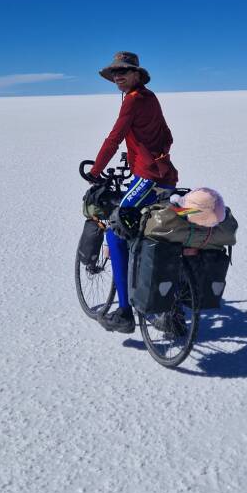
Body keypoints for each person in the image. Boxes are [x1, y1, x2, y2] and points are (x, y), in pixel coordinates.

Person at [90, 52, 179, 334]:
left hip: (148, 178)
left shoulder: (133, 100)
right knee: (145, 230)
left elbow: (115, 136)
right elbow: (166, 135)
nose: (118, 77)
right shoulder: (150, 98)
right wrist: (144, 154)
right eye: (115, 73)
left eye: (124, 72)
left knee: (115, 230)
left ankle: (126, 312)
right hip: (166, 177)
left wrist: (96, 170)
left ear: (137, 75)